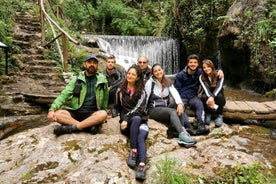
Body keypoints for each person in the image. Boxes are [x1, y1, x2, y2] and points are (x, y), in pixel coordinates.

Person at [47, 55, 109, 136]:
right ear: (84, 64)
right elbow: (64, 95)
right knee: (57, 114)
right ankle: (87, 127)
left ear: (97, 66)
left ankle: (71, 128)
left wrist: (103, 114)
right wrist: (52, 109)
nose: (92, 65)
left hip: (92, 113)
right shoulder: (76, 79)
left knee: (103, 114)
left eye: (94, 63)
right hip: (75, 111)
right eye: (89, 62)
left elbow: (105, 97)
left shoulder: (102, 80)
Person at [145, 63, 197, 147]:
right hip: (153, 110)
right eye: (155, 71)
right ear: (153, 73)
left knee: (178, 104)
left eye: (159, 70)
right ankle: (182, 134)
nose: (158, 72)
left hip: (165, 108)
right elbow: (145, 97)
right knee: (173, 112)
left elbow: (175, 93)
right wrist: (143, 112)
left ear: (163, 70)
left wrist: (180, 103)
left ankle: (182, 132)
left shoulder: (167, 81)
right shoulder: (150, 83)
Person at [114, 64, 149, 181]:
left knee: (140, 130)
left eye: (133, 74)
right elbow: (119, 108)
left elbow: (139, 110)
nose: (130, 76)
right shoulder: (120, 90)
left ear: (138, 77)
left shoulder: (142, 92)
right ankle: (134, 151)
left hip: (140, 123)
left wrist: (126, 118)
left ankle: (141, 165)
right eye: (129, 73)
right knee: (136, 120)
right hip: (127, 125)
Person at [174, 54, 224, 135]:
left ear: (197, 64)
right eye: (191, 62)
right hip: (182, 97)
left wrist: (220, 70)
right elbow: (175, 90)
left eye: (195, 62)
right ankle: (188, 127)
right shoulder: (180, 75)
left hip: (193, 97)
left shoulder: (200, 72)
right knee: (181, 108)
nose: (193, 64)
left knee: (200, 104)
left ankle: (201, 126)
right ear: (187, 63)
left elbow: (210, 69)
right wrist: (178, 101)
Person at [199, 59, 226, 127]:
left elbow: (219, 87)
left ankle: (220, 115)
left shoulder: (219, 75)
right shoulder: (201, 77)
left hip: (217, 95)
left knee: (220, 97)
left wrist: (213, 97)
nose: (206, 69)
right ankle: (208, 114)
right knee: (204, 97)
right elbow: (205, 89)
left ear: (212, 67)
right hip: (208, 96)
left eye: (208, 66)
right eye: (204, 67)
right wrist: (210, 97)